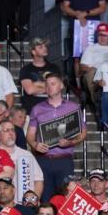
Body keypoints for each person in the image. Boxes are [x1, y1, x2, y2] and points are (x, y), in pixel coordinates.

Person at [28, 71, 86, 201]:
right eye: (47, 84)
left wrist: (71, 142)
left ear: (61, 86)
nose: (49, 87)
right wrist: (34, 144)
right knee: (44, 198)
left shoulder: (73, 107)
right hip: (43, 159)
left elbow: (83, 133)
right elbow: (30, 134)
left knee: (66, 198)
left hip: (64, 160)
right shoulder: (37, 108)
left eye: (53, 84)